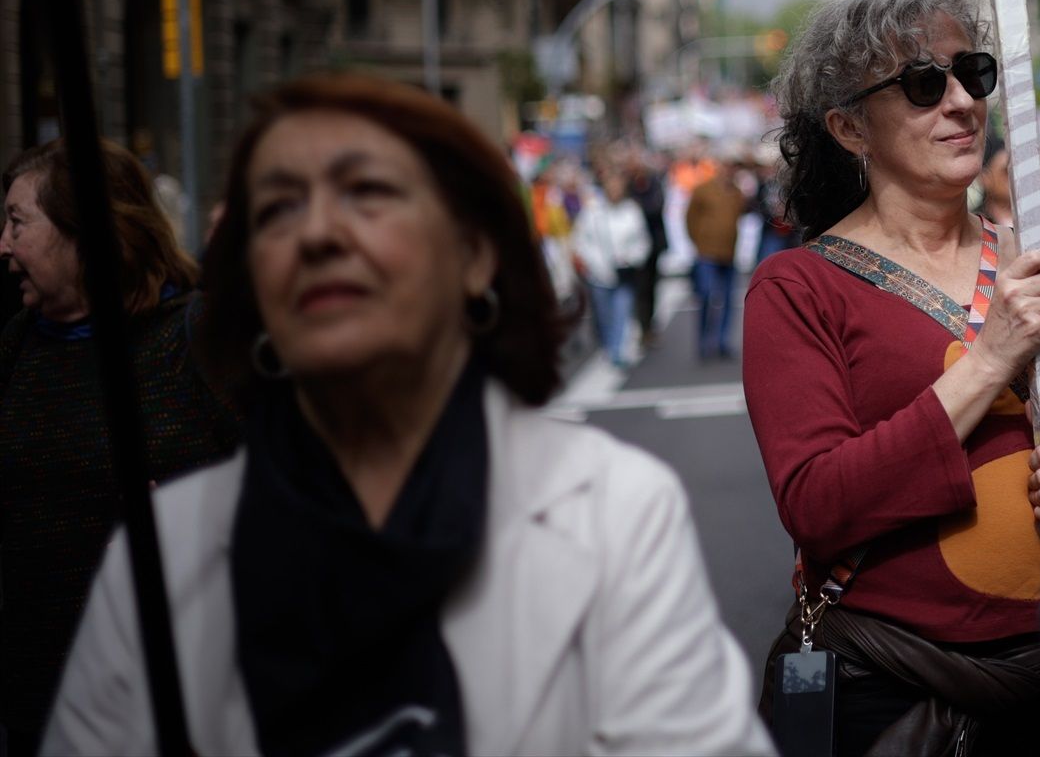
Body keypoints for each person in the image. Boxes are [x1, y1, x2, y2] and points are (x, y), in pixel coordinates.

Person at [43, 74, 769, 757]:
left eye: (368, 193)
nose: (318, 233)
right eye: (278, 209)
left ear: (476, 256)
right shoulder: (159, 558)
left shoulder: (616, 513)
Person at [745, 0, 1040, 756]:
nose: (961, 101)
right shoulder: (798, 289)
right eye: (923, 83)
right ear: (850, 129)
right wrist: (990, 357)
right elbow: (817, 503)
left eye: (974, 73)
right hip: (894, 696)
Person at [0, 141, 240, 757]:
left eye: (18, 223)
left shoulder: (196, 341)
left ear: (86, 232)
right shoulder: (16, 347)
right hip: (38, 710)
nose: (3, 246)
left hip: (172, 707)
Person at [572, 164, 651, 368]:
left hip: (625, 273)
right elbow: (581, 240)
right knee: (604, 315)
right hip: (599, 274)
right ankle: (609, 346)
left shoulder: (631, 211)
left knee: (622, 312)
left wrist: (633, 257)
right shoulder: (592, 212)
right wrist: (593, 263)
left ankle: (617, 351)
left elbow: (642, 241)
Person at [685, 154, 749, 359]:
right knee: (705, 295)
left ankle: (722, 341)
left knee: (729, 299)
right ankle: (704, 340)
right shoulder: (703, 190)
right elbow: (690, 219)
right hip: (707, 252)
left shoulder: (737, 193)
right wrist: (698, 241)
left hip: (729, 252)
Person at [624, 149, 670, 350]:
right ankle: (643, 326)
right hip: (633, 244)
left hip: (653, 243)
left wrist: (637, 207)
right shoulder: (628, 185)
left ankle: (649, 322)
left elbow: (656, 206)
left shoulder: (653, 182)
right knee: (639, 288)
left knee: (651, 286)